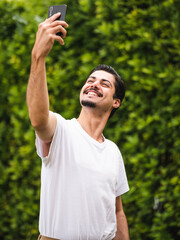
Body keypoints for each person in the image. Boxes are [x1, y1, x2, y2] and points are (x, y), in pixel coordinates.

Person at [27, 12, 130, 240]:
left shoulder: (113, 151)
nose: (93, 85)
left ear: (116, 102)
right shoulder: (62, 131)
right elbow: (38, 119)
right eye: (90, 81)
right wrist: (38, 57)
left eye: (104, 84)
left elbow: (117, 212)